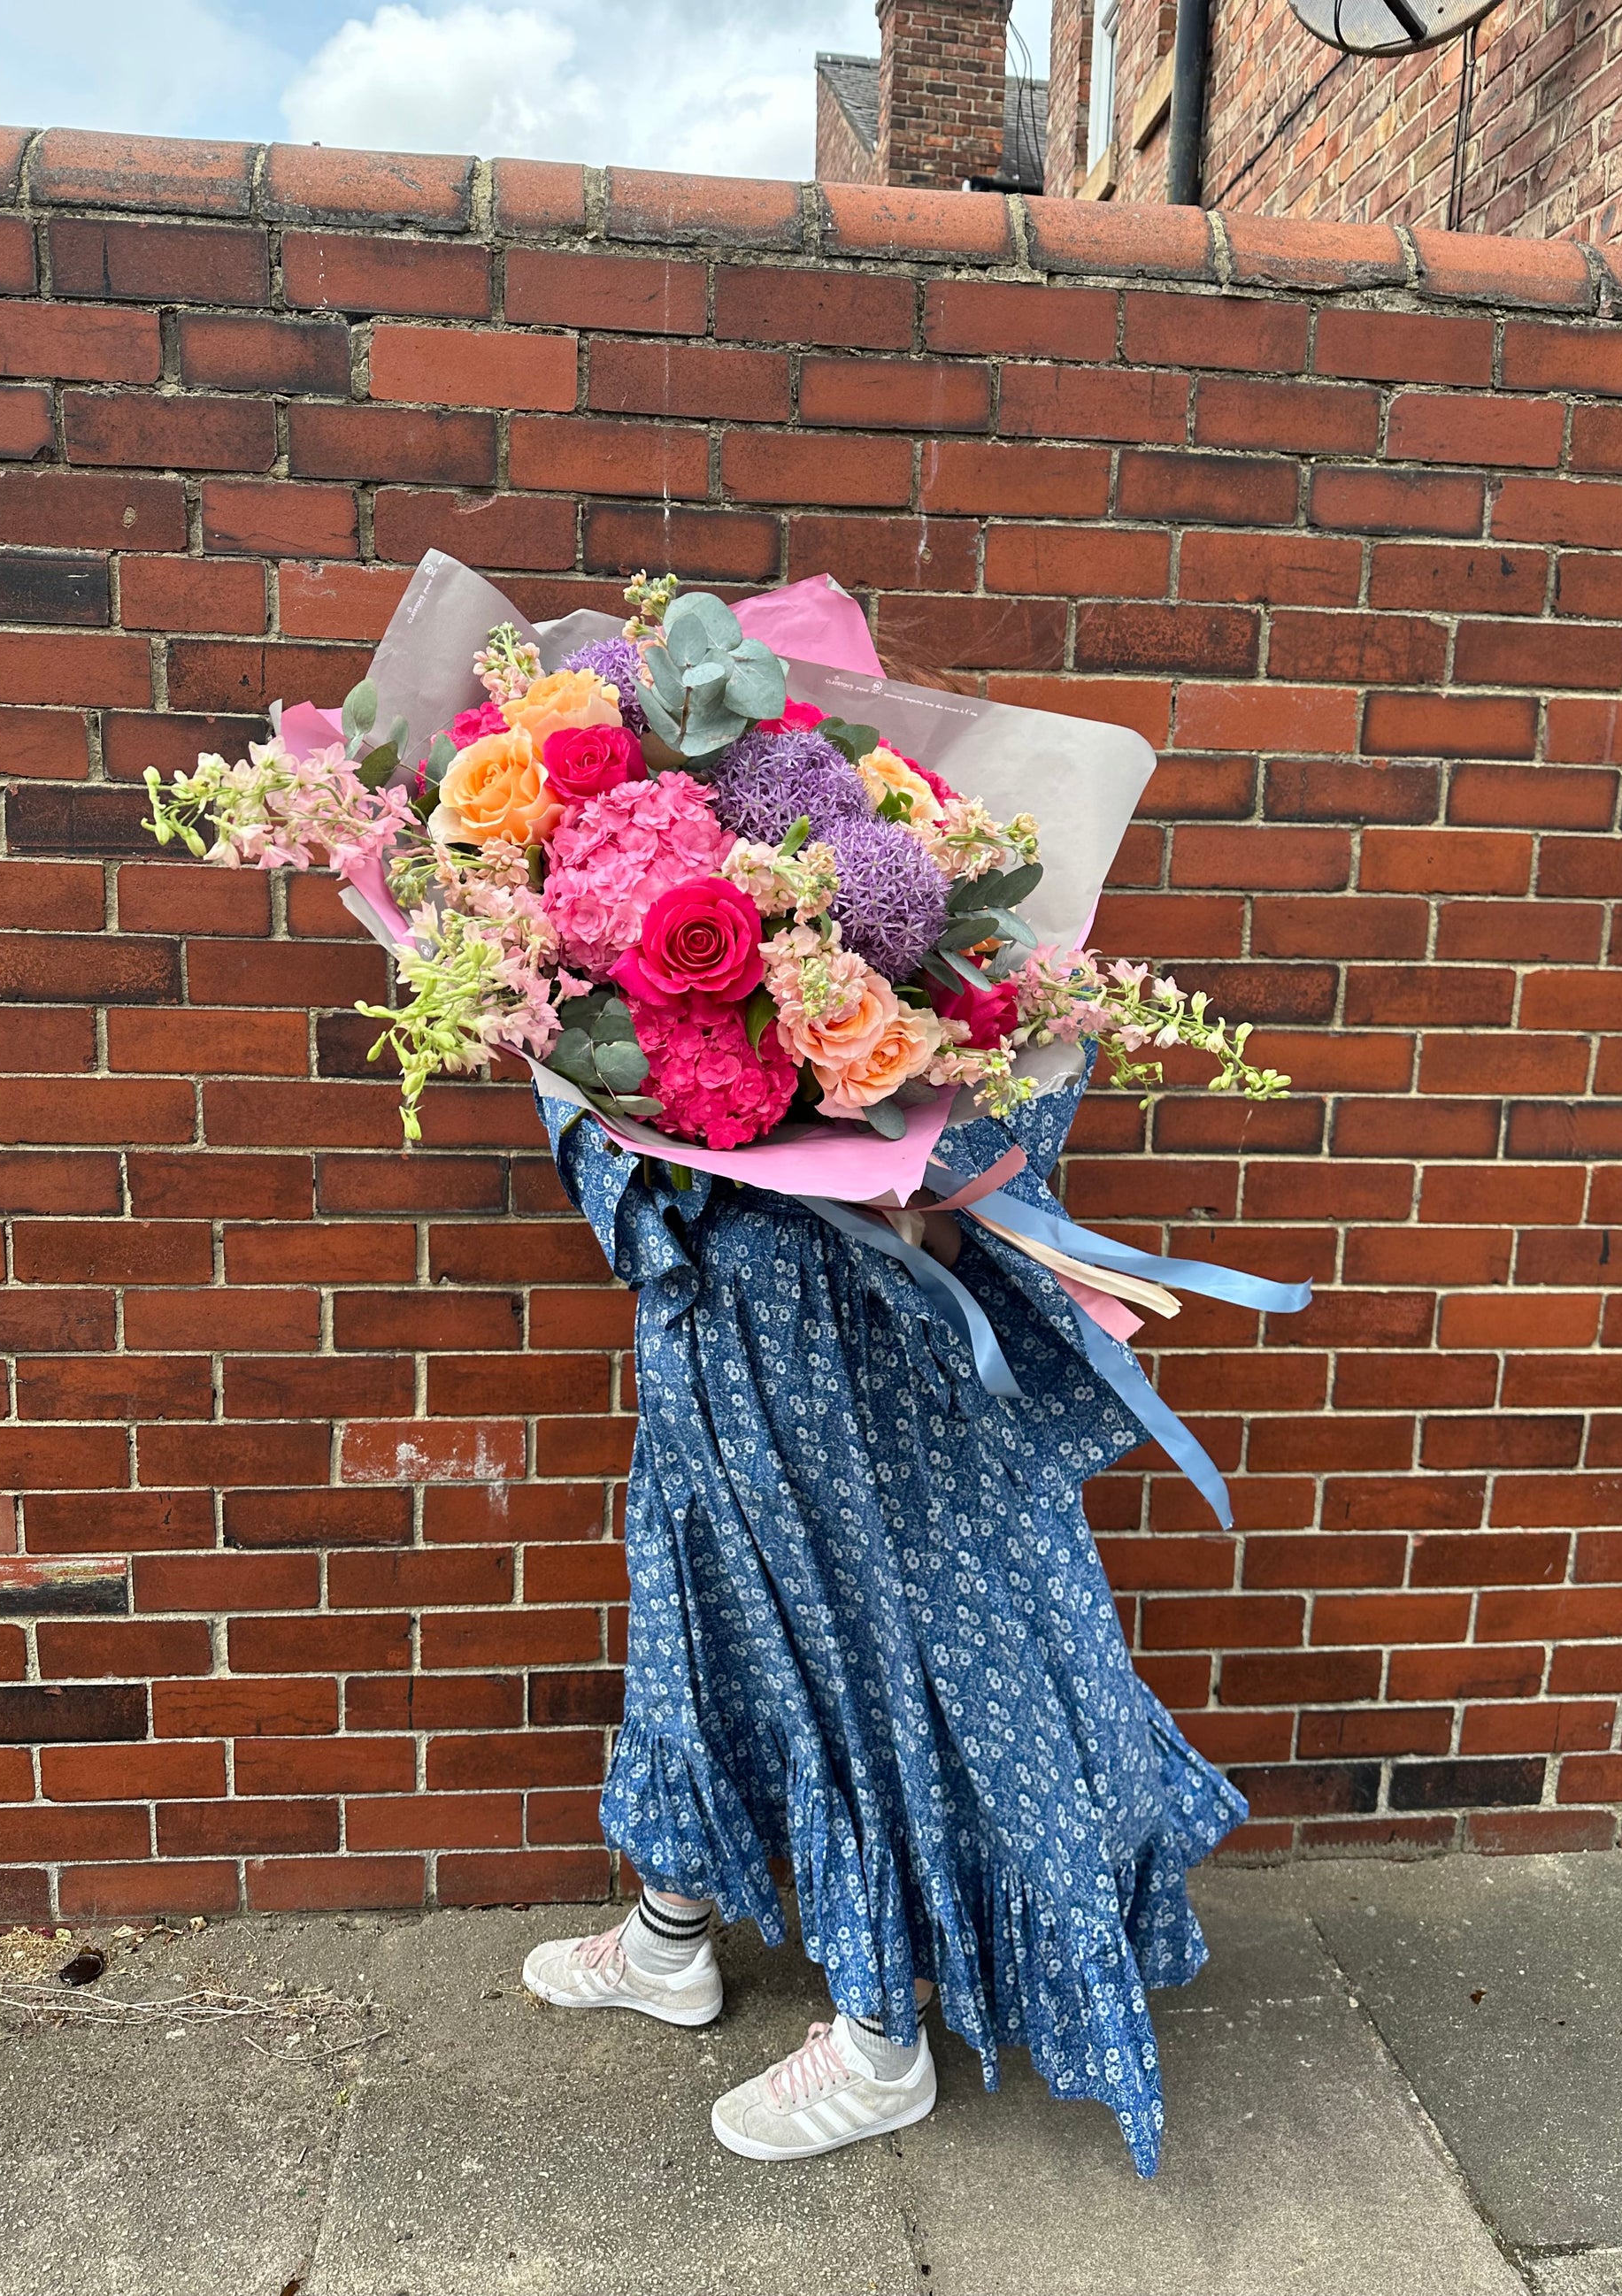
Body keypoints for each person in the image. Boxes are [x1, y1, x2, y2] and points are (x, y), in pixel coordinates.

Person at [521, 654, 1246, 2171]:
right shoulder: (609, 910)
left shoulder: (965, 939)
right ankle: (670, 1935)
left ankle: (879, 2033)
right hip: (720, 1341)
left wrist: (918, 1165)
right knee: (707, 1622)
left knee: (875, 1659)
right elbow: (604, 1117)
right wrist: (619, 1109)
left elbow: (1008, 1104)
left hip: (864, 1365)